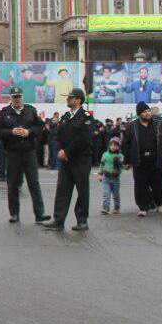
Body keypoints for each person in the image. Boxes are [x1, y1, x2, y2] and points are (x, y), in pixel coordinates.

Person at [0, 87, 48, 224]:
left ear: (22, 97)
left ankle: (40, 214)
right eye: (14, 97)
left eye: (19, 97)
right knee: (13, 184)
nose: (17, 99)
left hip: (29, 151)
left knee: (34, 183)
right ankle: (14, 214)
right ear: (10, 98)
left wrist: (29, 132)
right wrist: (11, 132)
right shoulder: (3, 113)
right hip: (13, 152)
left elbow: (40, 127)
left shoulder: (31, 111)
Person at [43, 88, 95, 231]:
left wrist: (67, 151)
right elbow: (58, 136)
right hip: (66, 159)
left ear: (78, 100)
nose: (67, 100)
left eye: (70, 98)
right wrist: (60, 149)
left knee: (82, 190)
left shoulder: (87, 117)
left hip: (81, 159)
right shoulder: (65, 117)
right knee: (62, 189)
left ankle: (82, 220)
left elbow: (84, 139)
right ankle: (58, 220)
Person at [123, 102, 162, 216]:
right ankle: (143, 207)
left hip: (156, 159)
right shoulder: (132, 127)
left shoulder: (158, 125)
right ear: (139, 113)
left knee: (158, 184)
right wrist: (127, 161)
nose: (148, 113)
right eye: (145, 111)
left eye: (149, 111)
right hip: (140, 160)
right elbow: (126, 145)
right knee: (141, 185)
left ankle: (159, 203)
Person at [97, 138, 124, 215]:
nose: (113, 147)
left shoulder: (120, 155)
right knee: (106, 194)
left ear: (118, 146)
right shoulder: (105, 154)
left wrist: (118, 162)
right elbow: (101, 165)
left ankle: (116, 207)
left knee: (116, 195)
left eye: (115, 145)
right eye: (111, 145)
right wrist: (100, 174)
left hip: (115, 178)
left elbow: (122, 166)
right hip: (106, 177)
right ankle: (106, 208)